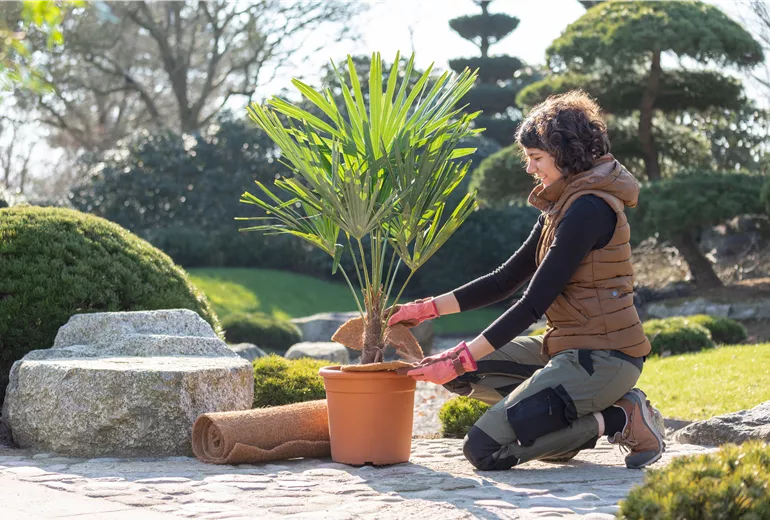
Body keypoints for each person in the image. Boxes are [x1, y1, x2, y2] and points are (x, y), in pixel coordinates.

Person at [388, 90, 665, 471]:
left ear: (566, 154)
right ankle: (563, 423)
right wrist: (426, 309)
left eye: (536, 158)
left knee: (483, 450)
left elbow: (532, 303)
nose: (530, 169)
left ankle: (619, 417)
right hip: (565, 347)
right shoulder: (562, 203)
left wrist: (459, 356)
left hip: (605, 358)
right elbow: (505, 280)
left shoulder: (589, 208)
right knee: (463, 376)